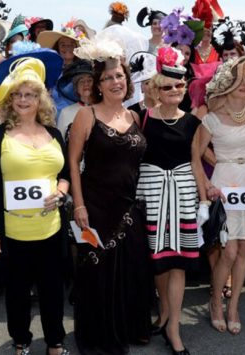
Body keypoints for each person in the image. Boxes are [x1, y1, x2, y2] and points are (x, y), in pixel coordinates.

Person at [0, 58, 70, 355]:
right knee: (16, 293)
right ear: (9, 99)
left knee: (53, 291)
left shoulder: (53, 134)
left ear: (41, 99)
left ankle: (55, 342)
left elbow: (64, 175)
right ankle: (21, 340)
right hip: (13, 233)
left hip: (51, 229)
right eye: (17, 94)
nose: (23, 100)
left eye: (30, 94)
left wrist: (61, 192)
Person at [70, 37, 152, 354]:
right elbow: (73, 164)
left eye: (119, 75)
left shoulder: (133, 118)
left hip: (129, 207)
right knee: (97, 272)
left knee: (132, 269)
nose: (115, 81)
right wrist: (78, 206)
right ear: (98, 84)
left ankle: (130, 327)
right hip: (94, 208)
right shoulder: (86, 116)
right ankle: (97, 336)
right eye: (108, 77)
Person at [191, 55, 245, 336]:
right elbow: (195, 156)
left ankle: (234, 305)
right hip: (224, 183)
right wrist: (206, 192)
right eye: (239, 77)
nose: (244, 83)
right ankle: (215, 301)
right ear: (227, 81)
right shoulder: (211, 118)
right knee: (229, 250)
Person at [134, 47, 200, 354]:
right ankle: (163, 315)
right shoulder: (141, 118)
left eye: (179, 85)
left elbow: (198, 161)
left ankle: (173, 327)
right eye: (167, 86)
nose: (174, 90)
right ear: (155, 89)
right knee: (159, 263)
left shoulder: (193, 123)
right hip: (150, 197)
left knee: (178, 265)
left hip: (183, 196)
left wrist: (209, 187)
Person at [56, 59, 94, 139]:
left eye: (89, 80)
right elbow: (60, 143)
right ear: (76, 87)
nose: (86, 84)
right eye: (81, 81)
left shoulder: (102, 109)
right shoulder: (65, 113)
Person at [127, 51, 158, 117]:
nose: (151, 86)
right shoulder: (131, 111)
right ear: (141, 87)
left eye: (154, 82)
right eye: (147, 83)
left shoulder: (167, 106)